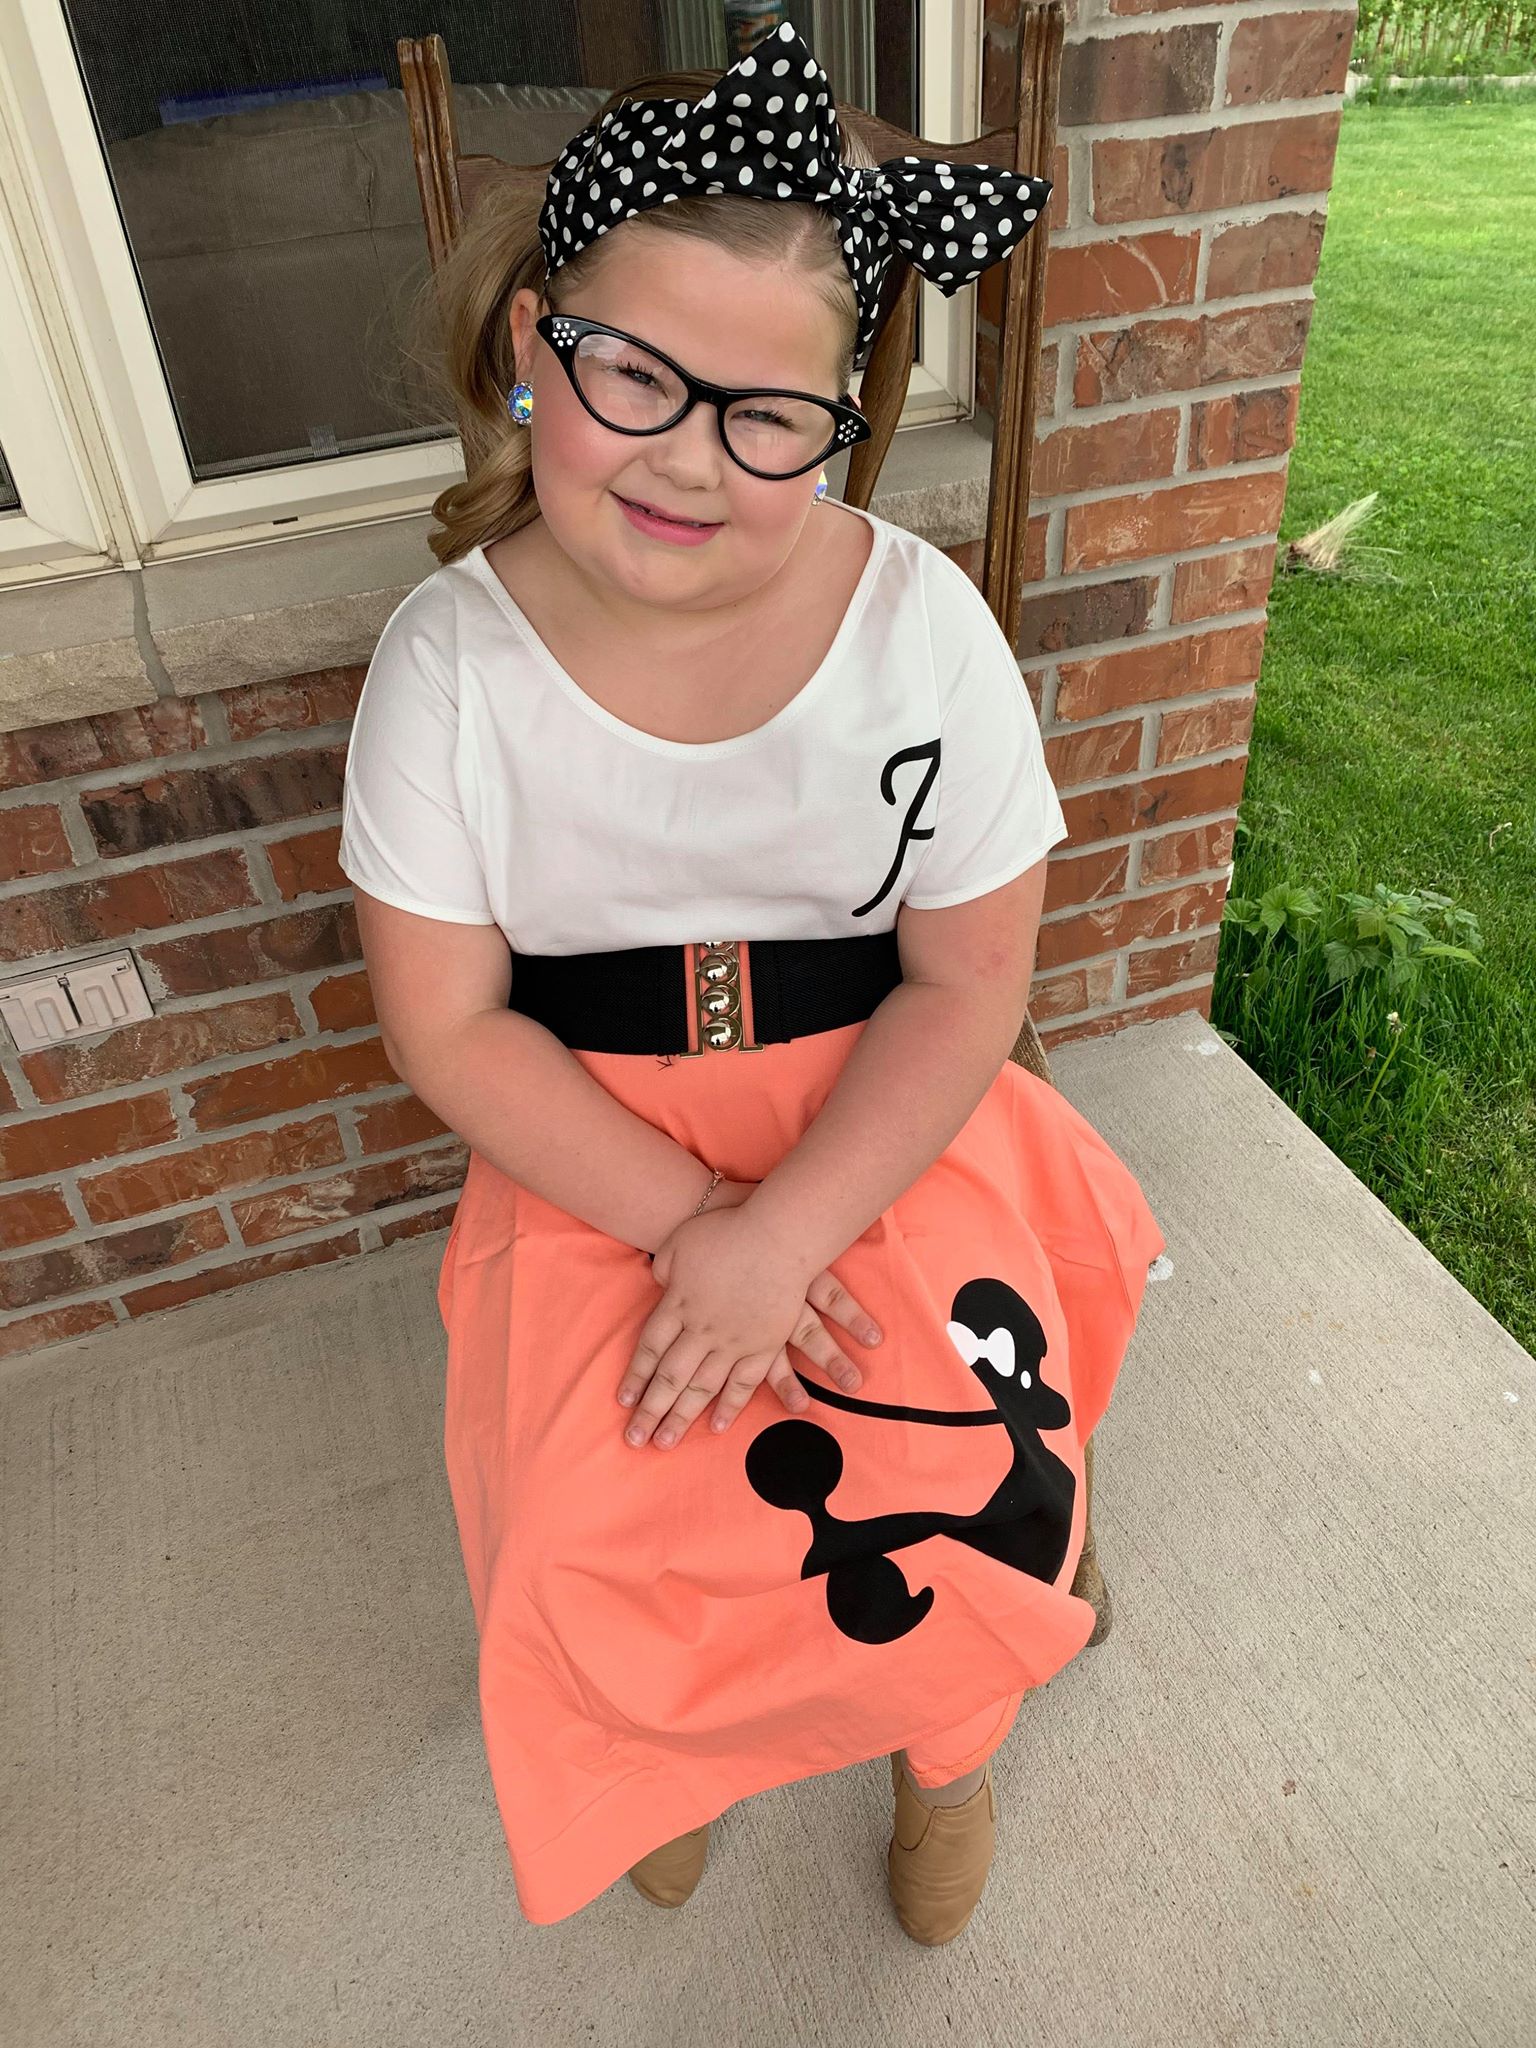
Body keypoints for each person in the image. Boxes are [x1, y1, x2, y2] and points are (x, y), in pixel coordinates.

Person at [339, 22, 1167, 1941]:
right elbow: (449, 1024)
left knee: (959, 1461)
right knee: (601, 1523)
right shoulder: (450, 668)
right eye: (635, 373)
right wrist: (696, 1230)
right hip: (594, 1144)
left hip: (876, 1117)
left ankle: (947, 1752)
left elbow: (966, 985)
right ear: (535, 343)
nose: (689, 458)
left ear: (840, 425)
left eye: (769, 416)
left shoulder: (919, 627)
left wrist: (784, 1234)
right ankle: (664, 1751)